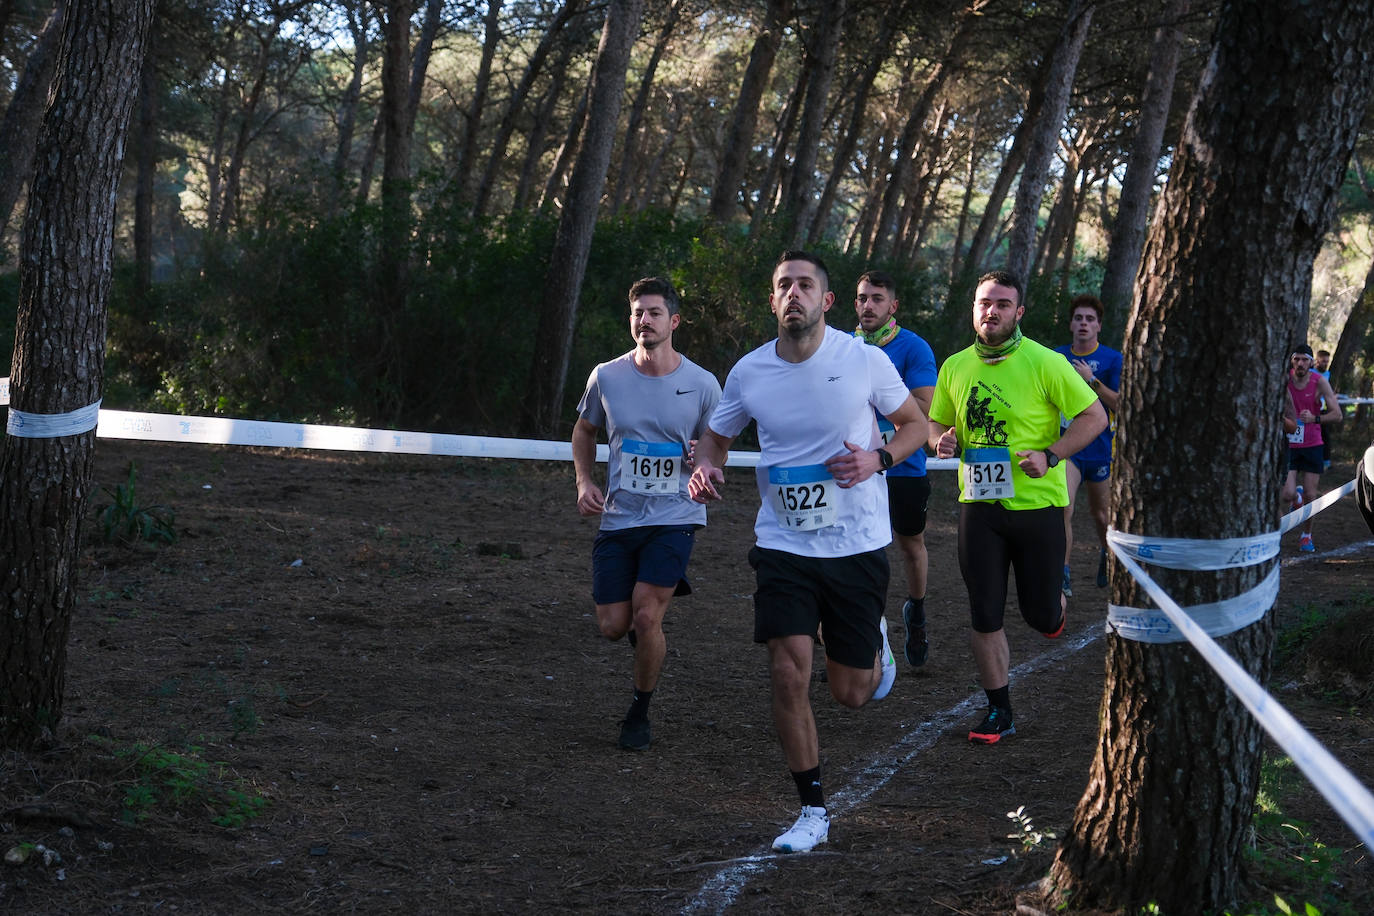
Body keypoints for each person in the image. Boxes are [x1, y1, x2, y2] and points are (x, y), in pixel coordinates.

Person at [688, 250, 928, 853]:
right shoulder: (749, 372)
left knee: (851, 692)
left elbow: (916, 425)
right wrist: (704, 470)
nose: (794, 294)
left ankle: (874, 640)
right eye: (783, 286)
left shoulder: (864, 360)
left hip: (856, 544)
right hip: (783, 543)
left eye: (805, 285)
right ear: (772, 301)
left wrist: (879, 458)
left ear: (827, 300)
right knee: (787, 671)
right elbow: (715, 439)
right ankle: (811, 812)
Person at [928, 270, 1107, 745]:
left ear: (1018, 312)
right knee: (984, 612)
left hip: (1038, 507)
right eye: (985, 302)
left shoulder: (1046, 362)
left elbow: (1096, 416)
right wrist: (940, 441)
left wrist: (1051, 455)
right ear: (974, 307)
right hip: (979, 507)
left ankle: (1056, 602)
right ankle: (999, 710)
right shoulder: (955, 366)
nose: (992, 311)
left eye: (1003, 304)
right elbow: (936, 424)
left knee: (1041, 617)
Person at [572, 277, 722, 751]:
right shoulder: (607, 376)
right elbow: (583, 430)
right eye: (638, 312)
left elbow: (716, 447)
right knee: (614, 625)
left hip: (676, 514)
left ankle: (639, 709)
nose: (645, 320)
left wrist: (703, 460)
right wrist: (584, 481)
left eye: (655, 313)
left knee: (644, 613)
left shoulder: (701, 384)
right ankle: (647, 647)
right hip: (619, 516)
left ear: (673, 322)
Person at [853, 269, 938, 667]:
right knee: (855, 555)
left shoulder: (913, 348)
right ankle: (854, 642)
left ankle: (917, 613)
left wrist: (877, 407)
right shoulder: (840, 347)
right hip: (855, 469)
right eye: (862, 297)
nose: (867, 305)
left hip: (903, 467)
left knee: (910, 546)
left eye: (877, 298)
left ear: (893, 306)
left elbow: (924, 410)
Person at [1053, 294, 1121, 596]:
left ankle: (1107, 554)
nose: (1083, 323)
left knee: (1101, 515)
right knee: (1063, 509)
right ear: (1070, 324)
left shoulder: (1111, 359)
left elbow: (1120, 404)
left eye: (1089, 319)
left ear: (1098, 326)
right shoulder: (1054, 358)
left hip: (1100, 450)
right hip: (1068, 448)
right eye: (1079, 318)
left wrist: (1091, 379)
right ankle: (1063, 573)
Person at [1281, 344, 1341, 552]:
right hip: (1289, 443)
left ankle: (1306, 535)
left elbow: (1337, 414)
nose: (1300, 363)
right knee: (1287, 494)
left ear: (1311, 363)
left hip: (1313, 444)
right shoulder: (1284, 379)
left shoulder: (1319, 382)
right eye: (1296, 359)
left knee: (1310, 494)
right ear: (1292, 361)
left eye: (1304, 360)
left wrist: (1315, 418)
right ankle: (1295, 499)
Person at [1315, 348, 1333, 470]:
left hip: (1323, 410)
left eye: (1327, 361)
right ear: (1317, 361)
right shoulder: (1310, 371)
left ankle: (1326, 461)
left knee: (1325, 436)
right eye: (1323, 361)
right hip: (1311, 409)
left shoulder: (1327, 374)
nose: (1325, 363)